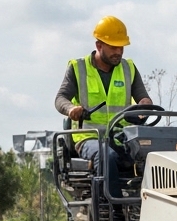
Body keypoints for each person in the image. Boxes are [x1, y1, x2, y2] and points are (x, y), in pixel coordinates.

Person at [53, 16, 154, 198]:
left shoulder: (128, 68)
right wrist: (70, 109)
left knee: (153, 156)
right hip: (89, 138)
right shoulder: (78, 68)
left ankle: (149, 206)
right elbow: (60, 99)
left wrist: (145, 103)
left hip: (121, 137)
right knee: (107, 157)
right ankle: (112, 206)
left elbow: (143, 98)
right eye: (113, 47)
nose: (119, 52)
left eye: (121, 47)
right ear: (99, 45)